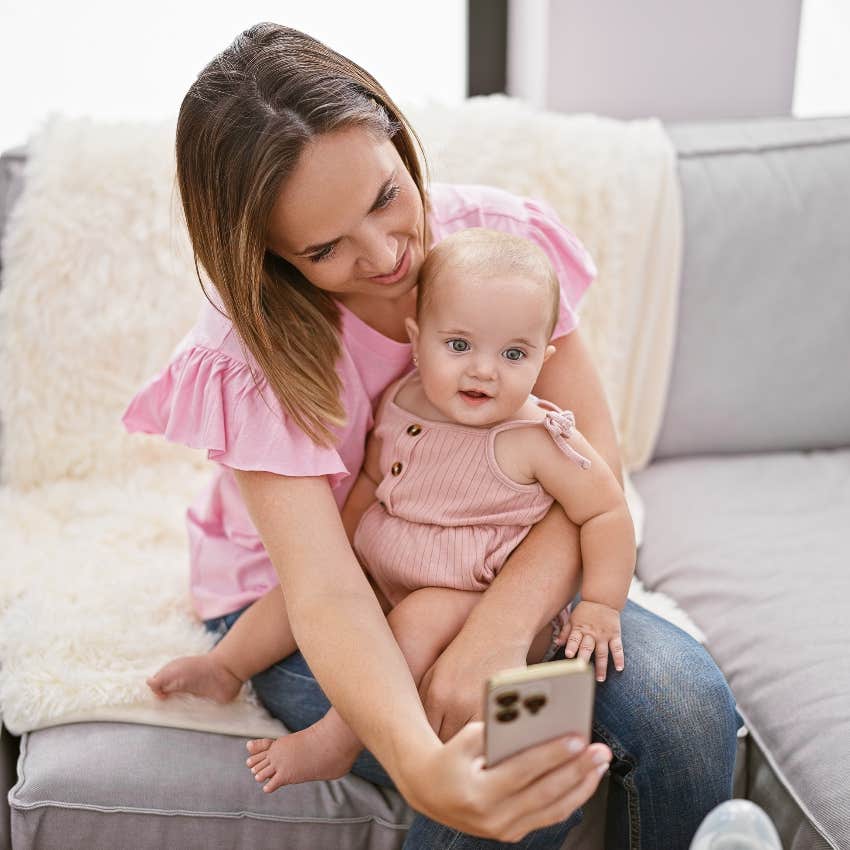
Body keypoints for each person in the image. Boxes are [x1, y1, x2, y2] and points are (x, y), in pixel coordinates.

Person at [123, 22, 739, 848]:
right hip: (321, 593)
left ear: (394, 135)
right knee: (505, 748)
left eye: (385, 196)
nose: (386, 255)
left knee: (685, 702)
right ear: (269, 256)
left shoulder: (494, 249)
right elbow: (328, 590)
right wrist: (421, 763)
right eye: (324, 247)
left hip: (493, 563)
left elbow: (588, 472)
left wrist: (496, 631)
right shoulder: (249, 353)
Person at [148, 228, 637, 792]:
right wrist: (347, 550)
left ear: (543, 357)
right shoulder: (403, 400)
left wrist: (601, 604)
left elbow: (605, 512)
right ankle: (225, 667)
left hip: (470, 597)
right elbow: (373, 482)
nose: (484, 370)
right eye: (459, 346)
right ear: (417, 337)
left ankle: (338, 738)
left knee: (418, 618)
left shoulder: (539, 438)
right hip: (389, 569)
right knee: (303, 590)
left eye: (513, 354)